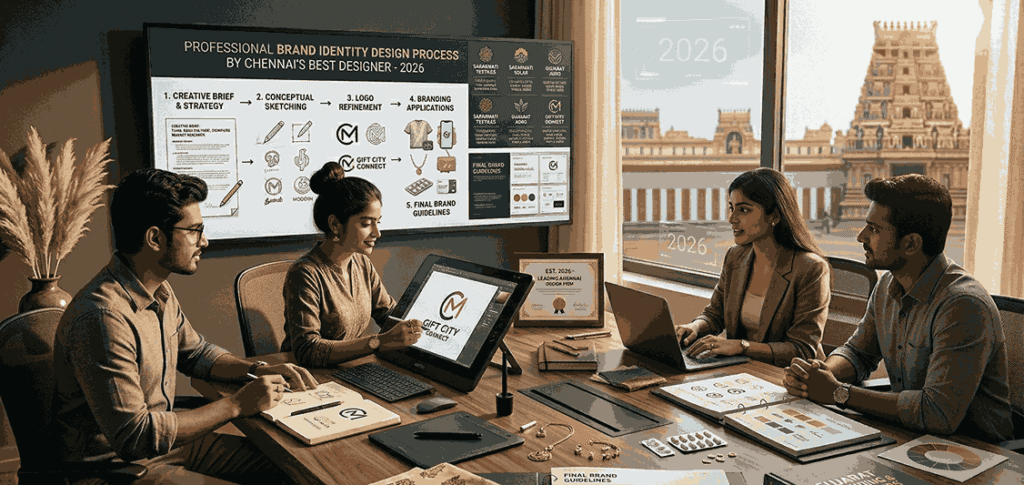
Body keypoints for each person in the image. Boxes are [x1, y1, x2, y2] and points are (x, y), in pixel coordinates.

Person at [47, 168, 318, 484]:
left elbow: (197, 354)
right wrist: (237, 404)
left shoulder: (158, 290)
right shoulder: (103, 318)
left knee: (294, 470)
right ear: (155, 238)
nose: (204, 241)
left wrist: (256, 369)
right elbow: (134, 437)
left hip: (168, 446)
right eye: (194, 230)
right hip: (115, 469)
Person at [783, 174, 1012, 443]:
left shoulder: (963, 306)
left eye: (874, 229)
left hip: (975, 454)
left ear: (911, 244)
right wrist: (820, 374)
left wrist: (838, 393)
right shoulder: (888, 284)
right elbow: (858, 353)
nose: (861, 237)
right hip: (912, 438)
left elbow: (937, 413)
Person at [676, 168, 831, 366]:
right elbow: (715, 314)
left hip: (790, 378)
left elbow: (802, 349)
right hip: (742, 371)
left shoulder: (812, 269)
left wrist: (741, 346)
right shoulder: (735, 257)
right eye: (732, 208)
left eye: (744, 210)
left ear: (774, 215)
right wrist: (695, 327)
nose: (732, 219)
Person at [282, 162, 422, 367]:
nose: (377, 233)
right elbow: (308, 350)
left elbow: (388, 315)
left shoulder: (362, 263)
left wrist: (419, 328)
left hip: (347, 370)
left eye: (378, 222)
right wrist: (379, 341)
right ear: (335, 224)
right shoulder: (305, 273)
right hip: (309, 378)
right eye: (366, 224)